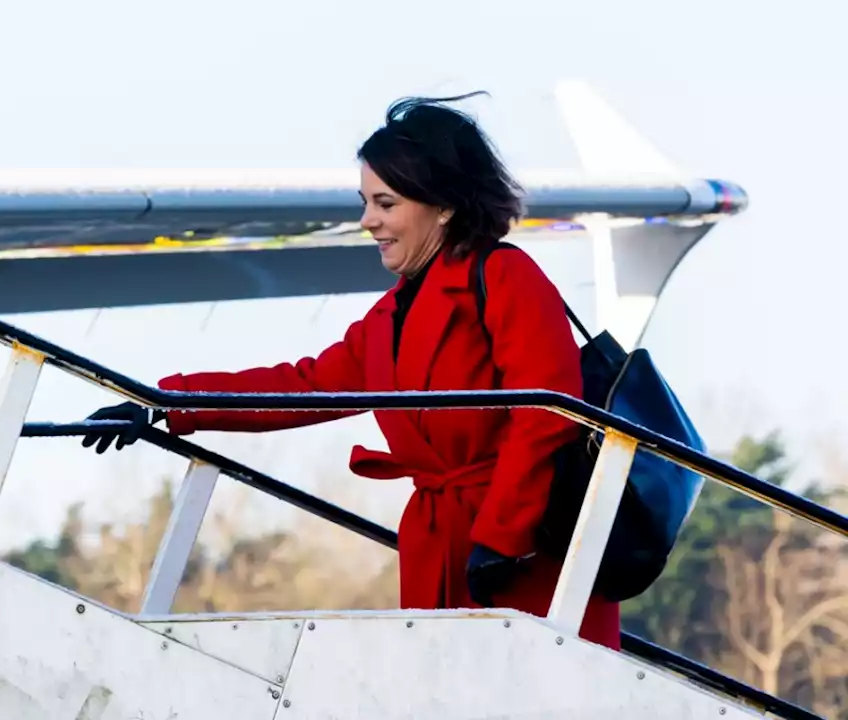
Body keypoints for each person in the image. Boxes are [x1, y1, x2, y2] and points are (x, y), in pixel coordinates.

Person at [78, 92, 621, 650]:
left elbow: (549, 416)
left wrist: (502, 539)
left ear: (444, 205)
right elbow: (301, 386)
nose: (367, 222)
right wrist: (162, 404)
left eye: (385, 204)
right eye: (366, 203)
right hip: (440, 546)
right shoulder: (391, 316)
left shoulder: (506, 276)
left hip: (525, 553)